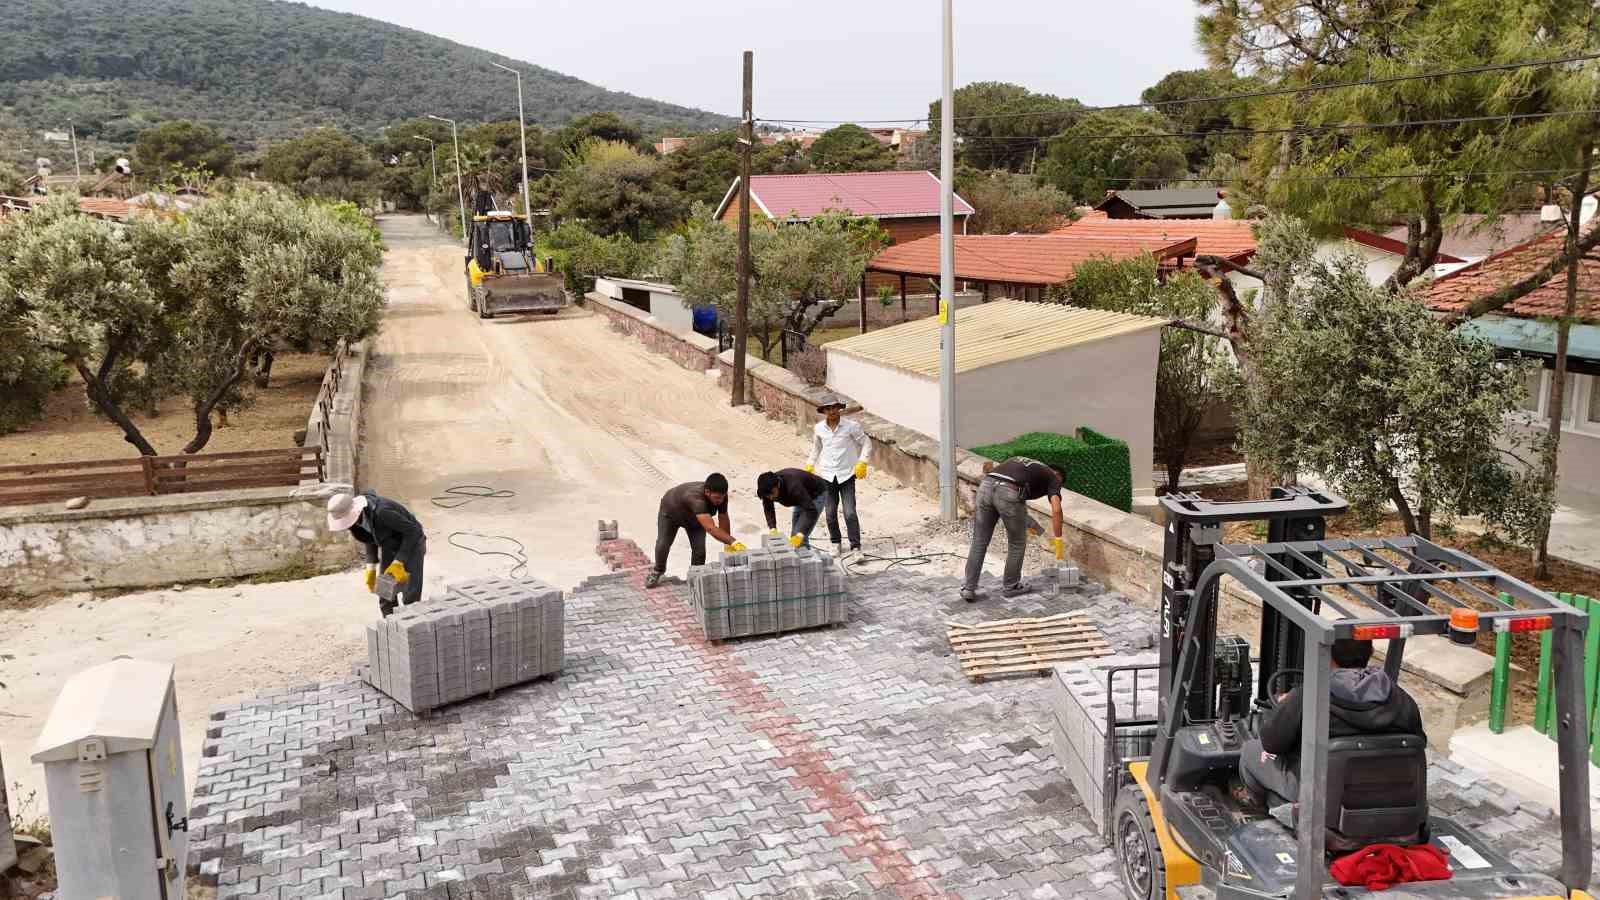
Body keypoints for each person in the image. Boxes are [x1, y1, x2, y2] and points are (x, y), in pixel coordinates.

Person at [1237, 637, 1426, 810]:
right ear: (1370, 652)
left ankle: (1274, 807)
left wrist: (1285, 705)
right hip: (1392, 800)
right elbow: (1419, 742)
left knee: (1251, 751)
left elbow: (1272, 743)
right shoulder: (1401, 698)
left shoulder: (1308, 695)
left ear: (1327, 654)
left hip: (1325, 806)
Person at [961, 457, 1065, 603]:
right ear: (1058, 476)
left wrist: (1037, 530)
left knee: (979, 541)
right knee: (1017, 543)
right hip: (1008, 491)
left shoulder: (1029, 468)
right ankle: (1011, 586)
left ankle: (968, 588)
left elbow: (1018, 507)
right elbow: (1057, 510)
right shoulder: (1054, 478)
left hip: (985, 487)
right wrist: (1058, 539)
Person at [326, 491, 427, 617]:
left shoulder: (382, 512)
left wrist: (399, 560)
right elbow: (370, 538)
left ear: (354, 512)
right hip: (389, 545)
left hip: (412, 544)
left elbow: (414, 531)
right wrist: (371, 568)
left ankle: (411, 622)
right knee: (385, 594)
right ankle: (390, 625)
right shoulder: (357, 522)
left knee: (410, 596)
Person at [647, 474, 744, 588]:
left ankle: (695, 579)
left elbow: (723, 518)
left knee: (700, 550)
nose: (720, 501)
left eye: (722, 497)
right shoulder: (696, 498)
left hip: (695, 518)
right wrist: (734, 542)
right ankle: (657, 571)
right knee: (663, 543)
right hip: (670, 513)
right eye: (717, 498)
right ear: (707, 492)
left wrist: (728, 545)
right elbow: (710, 528)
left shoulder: (721, 496)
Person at [807, 395, 870, 556]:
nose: (832, 411)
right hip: (827, 475)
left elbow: (866, 443)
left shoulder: (851, 427)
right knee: (830, 513)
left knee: (850, 512)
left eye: (834, 407)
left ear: (839, 408)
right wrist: (810, 464)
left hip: (847, 474)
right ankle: (835, 543)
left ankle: (855, 546)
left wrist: (862, 462)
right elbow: (816, 448)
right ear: (824, 411)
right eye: (828, 408)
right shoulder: (819, 428)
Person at [757, 468, 830, 548]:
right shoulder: (767, 489)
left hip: (817, 494)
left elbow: (811, 511)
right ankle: (801, 551)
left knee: (799, 534)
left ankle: (805, 553)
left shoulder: (793, 486)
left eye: (772, 493)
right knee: (794, 536)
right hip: (800, 497)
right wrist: (772, 528)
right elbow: (768, 508)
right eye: (768, 496)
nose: (771, 497)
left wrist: (800, 534)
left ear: (778, 485)